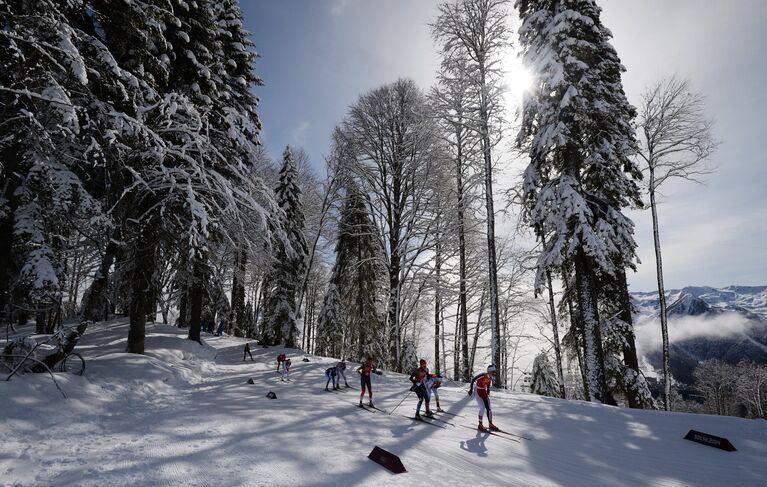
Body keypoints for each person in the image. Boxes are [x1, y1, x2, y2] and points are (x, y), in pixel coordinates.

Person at [468, 365, 499, 431]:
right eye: (493, 372)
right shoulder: (482, 375)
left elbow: (488, 384)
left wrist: (488, 390)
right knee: (482, 408)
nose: (494, 374)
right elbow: (473, 380)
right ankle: (480, 425)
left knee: (489, 408)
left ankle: (490, 424)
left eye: (494, 372)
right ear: (489, 372)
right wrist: (470, 390)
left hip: (483, 392)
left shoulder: (491, 377)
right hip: (478, 391)